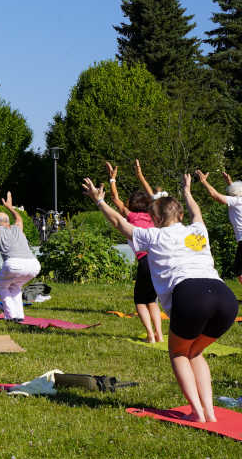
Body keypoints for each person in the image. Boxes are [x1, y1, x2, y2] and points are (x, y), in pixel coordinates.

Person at [82, 174, 237, 423]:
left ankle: (198, 413)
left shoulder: (153, 236)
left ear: (155, 220)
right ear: (180, 216)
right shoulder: (198, 231)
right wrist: (187, 191)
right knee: (195, 353)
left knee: (178, 354)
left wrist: (100, 201)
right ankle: (210, 413)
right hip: (225, 297)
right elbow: (196, 212)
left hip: (191, 294)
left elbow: (120, 224)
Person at [107, 161, 163, 342]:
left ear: (131, 204)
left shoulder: (129, 216)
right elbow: (153, 197)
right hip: (159, 261)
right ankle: (160, 336)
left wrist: (112, 179)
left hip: (145, 261)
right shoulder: (153, 216)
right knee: (152, 300)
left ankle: (150, 335)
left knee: (140, 301)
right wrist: (140, 174)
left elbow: (115, 199)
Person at [0, 191, 41, 322]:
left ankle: (11, 315)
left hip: (14, 264)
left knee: (1, 286)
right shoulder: (17, 228)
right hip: (33, 265)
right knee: (15, 286)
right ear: (7, 222)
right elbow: (19, 218)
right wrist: (10, 207)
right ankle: (19, 315)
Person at [194, 169, 242, 286]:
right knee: (238, 269)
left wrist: (204, 182)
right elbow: (236, 192)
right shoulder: (239, 200)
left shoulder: (235, 201)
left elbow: (215, 195)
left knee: (238, 270)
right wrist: (229, 182)